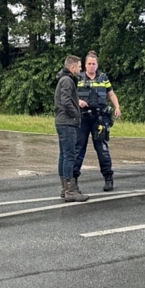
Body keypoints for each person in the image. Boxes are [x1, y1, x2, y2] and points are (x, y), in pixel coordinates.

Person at [73, 51, 122, 192]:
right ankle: (73, 180)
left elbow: (111, 93)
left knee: (102, 149)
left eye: (94, 64)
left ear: (97, 65)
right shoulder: (78, 78)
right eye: (89, 63)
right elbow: (70, 94)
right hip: (83, 118)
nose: (91, 66)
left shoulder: (103, 78)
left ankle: (108, 178)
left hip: (99, 119)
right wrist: (78, 101)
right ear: (85, 65)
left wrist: (117, 107)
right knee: (78, 149)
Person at [55, 55, 88, 202]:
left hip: (62, 121)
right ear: (73, 67)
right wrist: (76, 114)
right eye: (80, 67)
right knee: (69, 156)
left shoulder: (63, 79)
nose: (81, 70)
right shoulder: (67, 80)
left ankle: (65, 188)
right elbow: (66, 100)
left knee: (64, 155)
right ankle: (70, 190)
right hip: (67, 122)